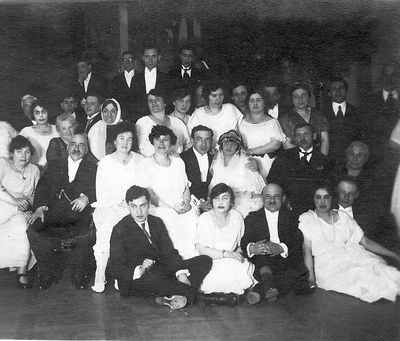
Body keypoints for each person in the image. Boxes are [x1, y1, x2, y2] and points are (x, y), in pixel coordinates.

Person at [109, 185, 212, 309]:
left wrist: (181, 274)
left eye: (143, 205)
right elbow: (115, 268)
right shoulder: (120, 229)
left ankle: (172, 295)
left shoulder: (157, 222)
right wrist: (140, 269)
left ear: (149, 204)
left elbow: (169, 252)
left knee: (205, 260)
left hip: (161, 272)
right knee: (155, 277)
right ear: (127, 206)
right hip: (138, 280)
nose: (139, 212)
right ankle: (200, 296)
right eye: (133, 207)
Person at [299, 185, 400, 303]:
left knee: (384, 271)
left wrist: (394, 254)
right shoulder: (307, 218)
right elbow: (307, 250)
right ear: (313, 199)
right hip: (328, 267)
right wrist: (311, 277)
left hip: (354, 256)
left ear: (332, 198)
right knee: (362, 281)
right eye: (318, 197)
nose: (322, 201)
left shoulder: (343, 216)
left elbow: (365, 241)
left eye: (326, 197)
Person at [27, 134, 97, 291]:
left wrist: (87, 198)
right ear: (67, 147)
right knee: (33, 229)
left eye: (81, 145)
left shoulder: (94, 168)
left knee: (83, 233)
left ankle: (79, 272)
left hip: (78, 216)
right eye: (73, 144)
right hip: (54, 213)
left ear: (86, 150)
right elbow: (42, 188)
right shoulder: (54, 165)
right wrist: (39, 208)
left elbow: (100, 188)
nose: (76, 148)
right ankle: (47, 271)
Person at [91, 122, 144, 293]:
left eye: (129, 139)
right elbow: (101, 193)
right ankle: (100, 276)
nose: (125, 142)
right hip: (111, 208)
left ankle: (122, 276)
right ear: (114, 141)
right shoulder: (105, 162)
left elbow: (143, 187)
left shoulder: (140, 160)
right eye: (121, 138)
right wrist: (117, 203)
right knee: (107, 233)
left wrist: (131, 204)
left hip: (135, 207)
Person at [138, 125, 198, 260]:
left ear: (171, 143)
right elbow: (150, 195)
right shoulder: (145, 164)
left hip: (181, 206)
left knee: (191, 217)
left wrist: (186, 203)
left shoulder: (178, 162)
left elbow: (185, 188)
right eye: (157, 139)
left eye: (165, 139)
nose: (161, 143)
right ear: (152, 141)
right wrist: (172, 209)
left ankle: (191, 262)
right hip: (160, 208)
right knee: (171, 221)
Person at [241, 184, 310, 300]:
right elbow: (245, 240)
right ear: (262, 199)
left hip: (285, 260)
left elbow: (297, 238)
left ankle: (264, 288)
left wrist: (282, 248)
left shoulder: (292, 217)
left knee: (300, 275)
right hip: (263, 261)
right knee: (262, 260)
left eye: (276, 196)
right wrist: (253, 248)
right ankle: (272, 288)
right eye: (267, 196)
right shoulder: (252, 218)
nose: (272, 200)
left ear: (283, 199)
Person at [195, 183, 257, 305]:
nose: (220, 202)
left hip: (231, 258)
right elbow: (202, 249)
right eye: (216, 199)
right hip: (210, 260)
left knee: (240, 269)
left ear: (232, 201)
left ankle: (227, 298)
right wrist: (226, 254)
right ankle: (218, 298)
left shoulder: (236, 216)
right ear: (211, 201)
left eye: (225, 198)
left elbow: (240, 244)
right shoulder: (205, 219)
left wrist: (238, 255)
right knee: (218, 278)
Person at [0, 136, 40, 288]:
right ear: (11, 153)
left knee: (23, 228)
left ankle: (22, 270)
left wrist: (31, 208)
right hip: (3, 206)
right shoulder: (3, 164)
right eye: (18, 151)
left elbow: (36, 194)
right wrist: (15, 202)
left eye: (27, 152)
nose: (23, 156)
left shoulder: (34, 170)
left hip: (20, 211)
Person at [268, 123, 329, 218]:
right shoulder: (283, 157)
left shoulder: (325, 160)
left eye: (306, 134)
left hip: (315, 211)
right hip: (288, 208)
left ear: (313, 136)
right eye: (298, 135)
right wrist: (284, 199)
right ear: (295, 139)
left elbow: (328, 188)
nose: (302, 138)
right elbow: (272, 180)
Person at [209, 130, 265, 218]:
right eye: (226, 142)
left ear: (238, 147)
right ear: (221, 145)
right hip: (219, 202)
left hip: (241, 203)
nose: (229, 146)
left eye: (233, 144)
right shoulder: (215, 162)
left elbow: (256, 192)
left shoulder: (246, 162)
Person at [239, 88, 287, 178]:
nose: (255, 103)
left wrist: (252, 151)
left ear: (264, 103)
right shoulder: (241, 123)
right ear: (248, 104)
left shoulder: (272, 122)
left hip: (267, 163)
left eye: (258, 100)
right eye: (252, 101)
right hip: (247, 162)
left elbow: (276, 144)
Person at [135, 88, 191, 156]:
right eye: (150, 101)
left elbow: (188, 145)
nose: (154, 103)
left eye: (157, 99)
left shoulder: (177, 122)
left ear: (164, 103)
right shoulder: (142, 123)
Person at [188, 80, 243, 148]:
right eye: (214, 96)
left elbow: (242, 134)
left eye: (221, 95)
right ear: (207, 96)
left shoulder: (230, 109)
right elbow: (191, 140)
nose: (218, 99)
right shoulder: (198, 114)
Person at [322, 77, 363, 164]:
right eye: (334, 89)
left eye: (341, 88)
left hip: (352, 162)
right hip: (329, 161)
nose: (338, 92)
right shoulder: (321, 113)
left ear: (346, 90)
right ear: (329, 93)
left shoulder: (358, 112)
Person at [279, 83, 329, 155]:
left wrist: (321, 160)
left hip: (318, 156)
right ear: (292, 99)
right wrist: (305, 158)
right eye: (296, 96)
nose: (300, 99)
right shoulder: (285, 117)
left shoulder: (319, 114)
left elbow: (325, 140)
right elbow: (287, 144)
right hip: (295, 158)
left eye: (303, 95)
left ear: (309, 97)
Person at [19, 100, 59, 169]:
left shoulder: (57, 130)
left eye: (43, 112)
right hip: (33, 171)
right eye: (37, 113)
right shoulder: (26, 132)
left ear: (48, 112)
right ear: (33, 114)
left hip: (54, 171)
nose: (41, 115)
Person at [134, 44, 171, 115]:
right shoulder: (136, 79)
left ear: (159, 57)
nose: (150, 60)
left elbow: (168, 100)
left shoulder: (166, 78)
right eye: (147, 56)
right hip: (140, 116)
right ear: (143, 58)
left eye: (153, 56)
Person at [180, 125, 214, 203]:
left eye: (207, 140)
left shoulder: (215, 157)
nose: (203, 144)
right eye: (199, 139)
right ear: (192, 141)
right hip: (191, 200)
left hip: (211, 199)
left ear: (211, 141)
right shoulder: (182, 159)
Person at [110, 51, 140, 122]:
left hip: (139, 117)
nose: (127, 62)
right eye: (124, 60)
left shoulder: (141, 77)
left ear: (134, 61)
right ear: (122, 62)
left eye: (130, 60)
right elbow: (114, 99)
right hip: (122, 118)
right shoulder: (116, 79)